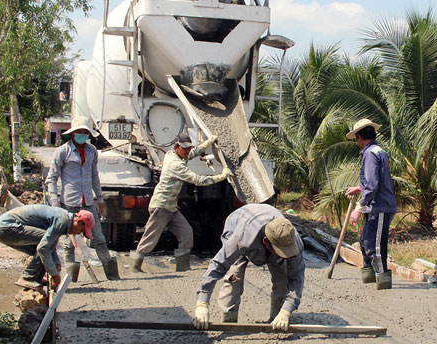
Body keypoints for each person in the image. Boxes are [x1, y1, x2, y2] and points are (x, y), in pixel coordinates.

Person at [192, 204, 304, 330]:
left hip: (265, 227)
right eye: (280, 250)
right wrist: (202, 302)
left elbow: (296, 278)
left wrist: (286, 312)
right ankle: (230, 320)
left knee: (281, 280)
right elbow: (218, 264)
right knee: (233, 277)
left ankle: (276, 319)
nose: (284, 254)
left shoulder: (291, 241)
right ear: (266, 241)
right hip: (239, 222)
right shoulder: (241, 238)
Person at [130, 133, 231, 272]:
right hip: (161, 206)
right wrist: (221, 176)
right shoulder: (176, 165)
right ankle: (135, 266)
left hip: (171, 208)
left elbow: (193, 153)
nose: (187, 151)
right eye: (184, 149)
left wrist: (207, 143)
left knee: (186, 233)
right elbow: (197, 180)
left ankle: (182, 266)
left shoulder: (175, 155)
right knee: (151, 237)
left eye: (189, 148)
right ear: (176, 147)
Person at [46, 116, 119, 282]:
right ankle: (72, 279)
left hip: (88, 203)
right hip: (68, 204)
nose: (82, 135)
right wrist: (55, 204)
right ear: (72, 133)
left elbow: (94, 175)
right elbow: (51, 178)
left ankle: (112, 274)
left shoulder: (91, 151)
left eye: (85, 133)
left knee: (99, 238)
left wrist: (99, 198)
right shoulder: (62, 151)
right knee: (68, 243)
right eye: (79, 132)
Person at [344, 118, 397, 290]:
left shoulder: (371, 154)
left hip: (379, 206)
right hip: (375, 205)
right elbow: (375, 182)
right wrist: (359, 188)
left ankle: (383, 280)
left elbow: (373, 185)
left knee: (374, 245)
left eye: (357, 139)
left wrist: (358, 209)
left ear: (360, 136)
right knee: (365, 240)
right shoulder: (377, 151)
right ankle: (368, 277)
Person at [0, 205, 94, 291]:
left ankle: (35, 279)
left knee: (47, 244)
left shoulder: (64, 218)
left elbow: (50, 244)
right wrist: (54, 275)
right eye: (81, 231)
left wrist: (56, 263)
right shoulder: (62, 220)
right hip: (5, 228)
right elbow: (43, 248)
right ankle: (28, 277)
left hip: (2, 229)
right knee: (44, 246)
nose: (78, 233)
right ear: (79, 221)